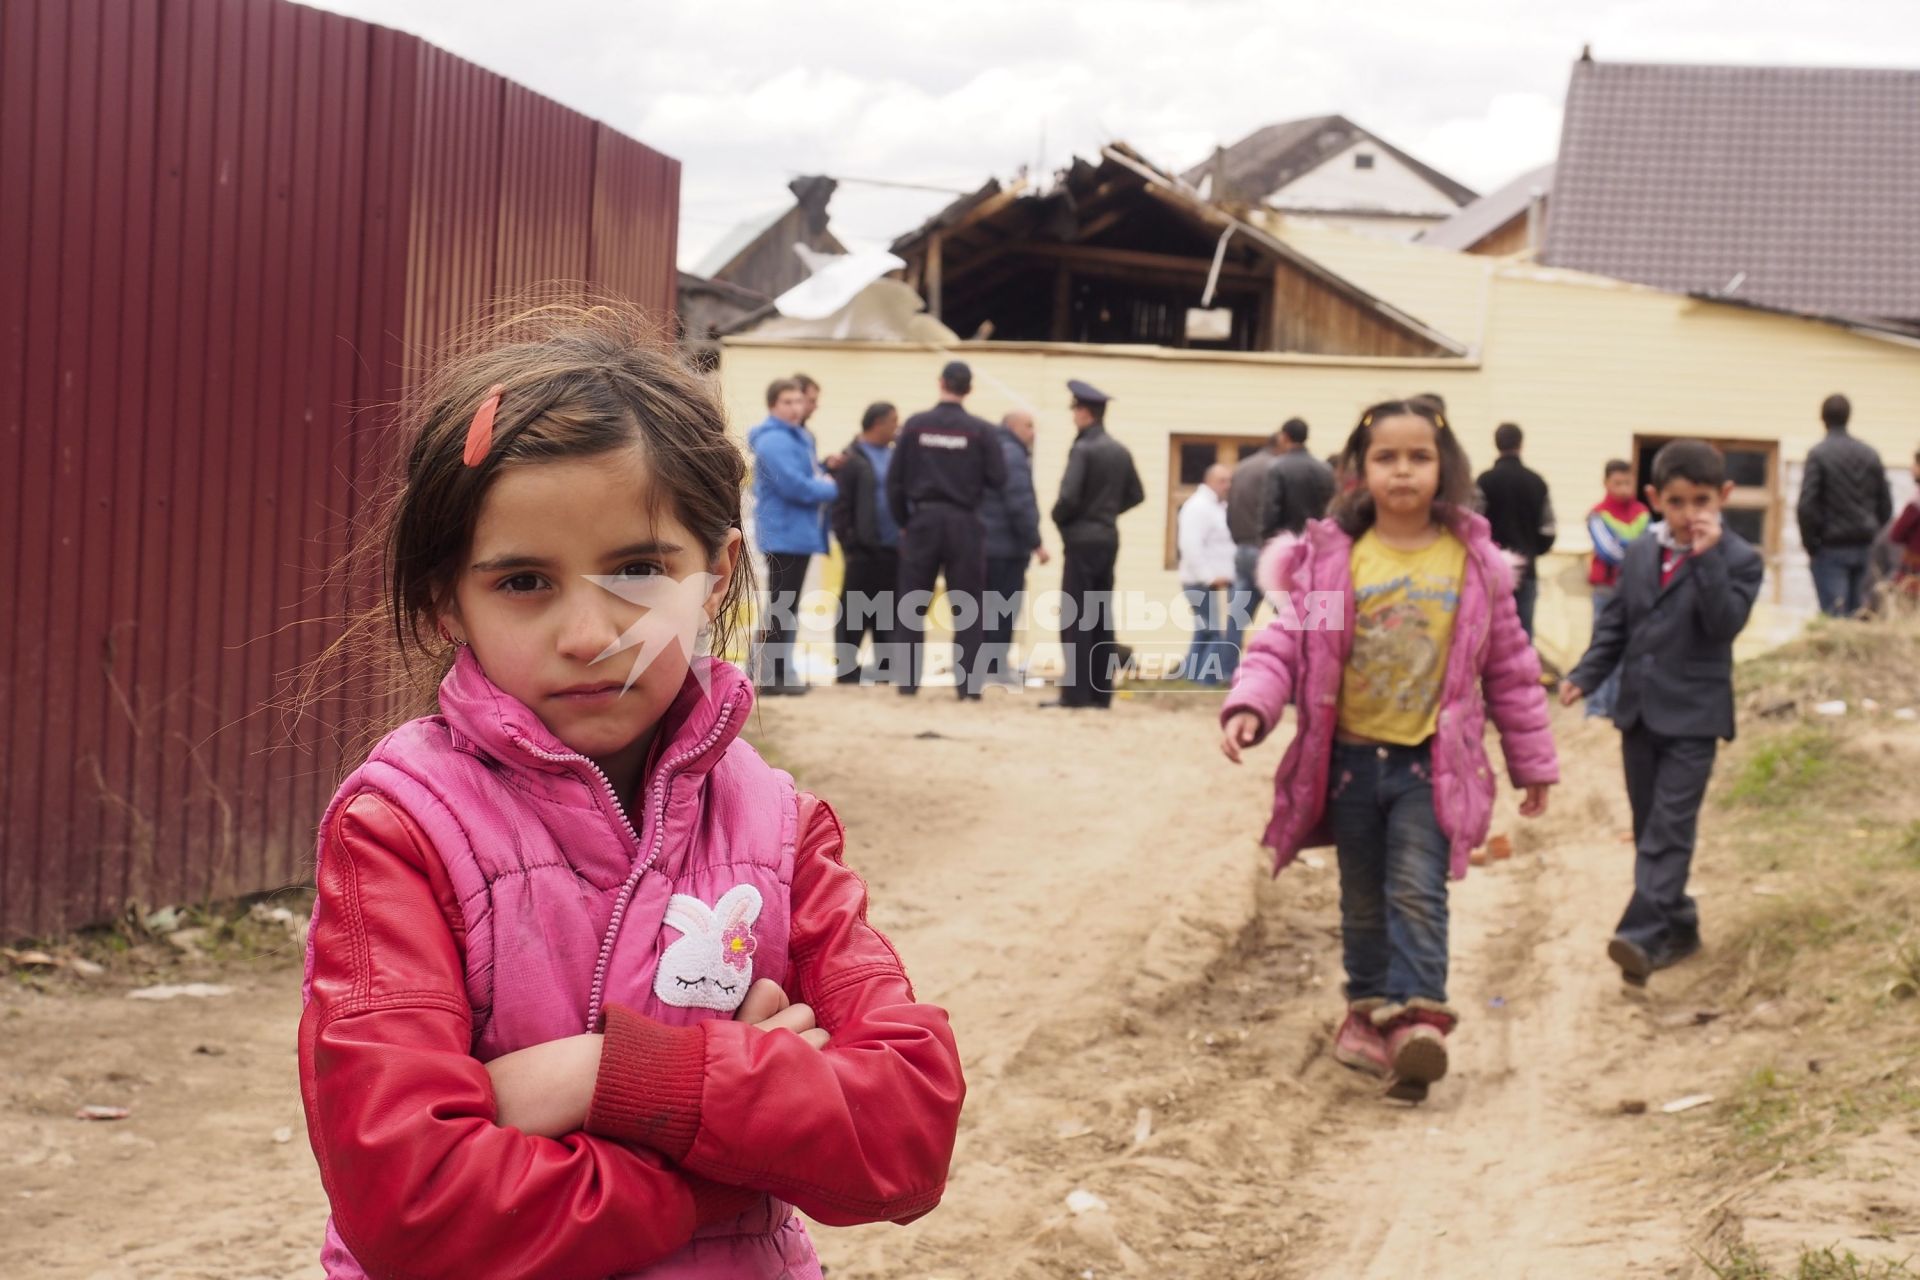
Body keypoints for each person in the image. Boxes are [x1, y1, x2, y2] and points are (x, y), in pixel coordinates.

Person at [296, 305, 964, 1280]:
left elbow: (906, 1135)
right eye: (524, 580)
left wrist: (611, 1074)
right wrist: (726, 1161)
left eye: (641, 569)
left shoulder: (780, 830)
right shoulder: (402, 828)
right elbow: (413, 1205)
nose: (589, 631)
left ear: (716, 571)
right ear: (447, 597)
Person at [1220, 398, 1557, 1101]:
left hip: (1429, 765)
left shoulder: (1474, 564)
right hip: (1345, 763)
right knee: (1363, 898)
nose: (1402, 471)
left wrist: (1533, 764)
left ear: (1447, 469)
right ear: (1358, 471)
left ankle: (1417, 1021)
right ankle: (1369, 1013)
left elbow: (1512, 670)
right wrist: (1253, 702)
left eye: (1419, 457)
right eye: (1386, 457)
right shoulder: (1335, 560)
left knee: (1416, 890)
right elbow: (1285, 642)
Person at [1561, 440, 1764, 986]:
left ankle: (1639, 936)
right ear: (1655, 499)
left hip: (1695, 718)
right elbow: (1617, 629)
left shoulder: (1740, 559)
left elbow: (1725, 625)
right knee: (1650, 826)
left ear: (1723, 497)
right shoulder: (1641, 554)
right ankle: (1680, 925)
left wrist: (1707, 560)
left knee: (1669, 833)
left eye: (1702, 500)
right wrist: (1584, 677)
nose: (1689, 513)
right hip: (1640, 715)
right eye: (1677, 501)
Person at [887, 360, 1006, 698]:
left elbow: (894, 482)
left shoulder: (915, 426)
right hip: (964, 523)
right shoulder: (982, 431)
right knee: (968, 605)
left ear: (940, 382)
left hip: (922, 521)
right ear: (968, 389)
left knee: (912, 603)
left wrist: (905, 522)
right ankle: (968, 687)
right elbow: (999, 479)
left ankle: (908, 684)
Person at [1049, 380, 1144, 709]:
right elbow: (1136, 495)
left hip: (1081, 539)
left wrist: (1060, 518)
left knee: (1076, 616)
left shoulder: (1083, 449)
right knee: (1102, 616)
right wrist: (1105, 512)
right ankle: (1101, 693)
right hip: (1107, 537)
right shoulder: (1119, 450)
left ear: (1085, 412)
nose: (1073, 415)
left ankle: (1074, 694)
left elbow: (1069, 497)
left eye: (1075, 409)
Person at [748, 378, 841, 695]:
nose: (794, 407)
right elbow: (796, 485)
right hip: (782, 533)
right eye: (786, 401)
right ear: (773, 405)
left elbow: (807, 476)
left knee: (785, 607)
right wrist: (831, 487)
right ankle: (768, 677)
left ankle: (776, 673)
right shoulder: (774, 440)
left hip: (798, 533)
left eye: (798, 401)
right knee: (780, 606)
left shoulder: (799, 437)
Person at [1797, 393, 1893, 618]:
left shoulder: (1819, 455)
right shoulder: (1870, 454)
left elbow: (1806, 506)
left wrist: (1811, 545)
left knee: (1835, 618)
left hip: (1831, 548)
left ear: (1823, 418)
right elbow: (1886, 503)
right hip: (1867, 547)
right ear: (1849, 417)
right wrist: (1879, 540)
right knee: (1864, 618)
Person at [832, 402, 902, 684]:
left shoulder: (895, 456)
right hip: (862, 549)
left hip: (893, 549)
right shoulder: (852, 458)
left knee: (888, 610)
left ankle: (884, 670)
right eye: (894, 421)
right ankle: (848, 671)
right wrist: (850, 541)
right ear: (877, 424)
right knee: (854, 610)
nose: (897, 426)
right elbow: (840, 505)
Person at [979, 410, 1049, 684]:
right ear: (1012, 426)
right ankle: (995, 668)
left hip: (986, 543)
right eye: (1029, 426)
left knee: (987, 608)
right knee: (1004, 608)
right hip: (1006, 546)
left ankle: (984, 665)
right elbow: (1019, 501)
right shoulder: (1013, 455)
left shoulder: (993, 449)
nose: (1033, 432)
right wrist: (1036, 541)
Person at [1582, 459, 1652, 719]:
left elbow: (1646, 544)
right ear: (1606, 483)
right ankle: (1597, 706)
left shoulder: (1642, 512)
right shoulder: (1598, 514)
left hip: (1634, 588)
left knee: (1629, 647)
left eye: (1628, 482)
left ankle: (1618, 705)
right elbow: (1607, 551)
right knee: (1602, 645)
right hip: (1606, 589)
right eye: (1617, 483)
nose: (1623, 488)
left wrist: (1628, 548)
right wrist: (1634, 553)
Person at [1475, 422, 1556, 638]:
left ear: (1496, 444)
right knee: (1523, 634)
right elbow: (1548, 530)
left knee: (1489, 635)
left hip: (1490, 571)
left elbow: (1472, 526)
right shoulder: (1537, 482)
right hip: (1527, 569)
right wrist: (1530, 549)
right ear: (1521, 444)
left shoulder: (1484, 482)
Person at [1177, 464, 1238, 686]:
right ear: (1209, 481)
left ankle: (1191, 677)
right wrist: (1209, 577)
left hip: (1213, 581)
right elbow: (1191, 546)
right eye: (1223, 481)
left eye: (1230, 480)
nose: (1228, 486)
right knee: (1214, 632)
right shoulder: (1198, 507)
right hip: (1200, 581)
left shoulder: (1218, 507)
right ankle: (1206, 679)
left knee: (1204, 631)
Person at [1227, 426, 1287, 646]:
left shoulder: (1242, 467)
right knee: (1286, 610)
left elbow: (1230, 509)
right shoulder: (1276, 468)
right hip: (1265, 549)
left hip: (1242, 548)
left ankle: (1225, 667)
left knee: (1238, 614)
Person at [1260, 417, 1337, 540]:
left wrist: (1267, 538)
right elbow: (1332, 508)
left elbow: (1271, 510)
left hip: (1287, 542)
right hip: (1316, 541)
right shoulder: (1325, 469)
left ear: (1285, 436)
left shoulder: (1278, 467)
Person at [1885, 447, 1920, 603]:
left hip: (1914, 570)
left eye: (1916, 464)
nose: (1912, 468)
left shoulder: (1915, 504)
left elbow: (1896, 534)